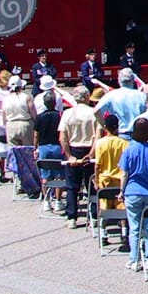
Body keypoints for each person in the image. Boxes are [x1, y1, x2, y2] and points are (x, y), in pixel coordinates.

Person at [119, 117, 148, 271]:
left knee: (134, 227)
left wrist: (121, 190)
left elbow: (124, 174)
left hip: (132, 191)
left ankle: (134, 259)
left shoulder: (129, 150)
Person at [59, 85, 97, 228]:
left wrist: (69, 156)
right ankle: (94, 216)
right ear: (87, 97)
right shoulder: (94, 112)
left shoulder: (67, 113)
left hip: (74, 149)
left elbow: (63, 137)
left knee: (72, 186)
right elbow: (97, 136)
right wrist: (91, 154)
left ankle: (72, 217)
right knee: (91, 185)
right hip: (89, 149)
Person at [94, 68, 146, 140]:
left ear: (119, 80)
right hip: (139, 135)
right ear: (133, 80)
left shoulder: (111, 95)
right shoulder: (142, 96)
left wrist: (107, 129)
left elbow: (96, 111)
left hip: (120, 135)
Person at [3, 75, 37, 147]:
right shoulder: (26, 97)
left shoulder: (5, 99)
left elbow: (4, 118)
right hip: (25, 125)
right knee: (28, 149)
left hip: (11, 126)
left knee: (13, 150)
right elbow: (34, 115)